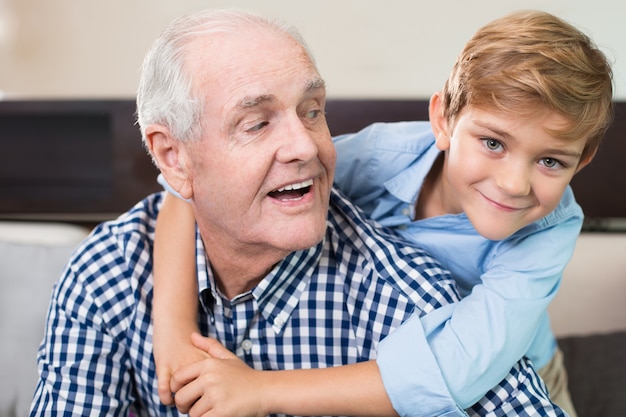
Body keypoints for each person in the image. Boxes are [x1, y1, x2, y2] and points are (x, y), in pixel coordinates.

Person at [29, 8, 567, 417]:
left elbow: (457, 366)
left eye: (313, 111)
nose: (306, 147)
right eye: (257, 122)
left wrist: (260, 391)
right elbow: (181, 194)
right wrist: (170, 323)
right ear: (174, 157)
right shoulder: (109, 272)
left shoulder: (418, 305)